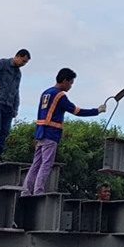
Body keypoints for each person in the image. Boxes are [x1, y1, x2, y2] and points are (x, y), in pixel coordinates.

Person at [21, 68, 105, 196]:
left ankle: (26, 191)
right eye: (70, 83)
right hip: (51, 134)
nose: (70, 86)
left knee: (36, 163)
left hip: (40, 133)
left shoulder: (46, 93)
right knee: (46, 164)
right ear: (65, 80)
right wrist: (96, 111)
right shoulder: (60, 95)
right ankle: (38, 191)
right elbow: (76, 111)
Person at [0, 49, 31, 164]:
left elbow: (16, 91)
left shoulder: (18, 73)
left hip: (9, 105)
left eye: (25, 63)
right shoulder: (3, 63)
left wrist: (15, 108)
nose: (23, 64)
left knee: (5, 131)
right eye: (23, 61)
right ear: (18, 56)